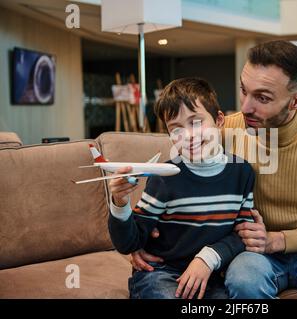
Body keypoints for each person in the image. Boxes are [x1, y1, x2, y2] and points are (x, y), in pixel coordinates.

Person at [131, 40, 297, 299]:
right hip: (250, 253)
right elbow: (177, 180)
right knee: (244, 282)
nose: (245, 107)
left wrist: (277, 240)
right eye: (244, 91)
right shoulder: (222, 131)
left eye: (262, 98)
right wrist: (142, 237)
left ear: (296, 101)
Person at [108, 78, 255, 299]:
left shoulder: (242, 172)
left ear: (219, 120)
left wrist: (207, 259)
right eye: (176, 129)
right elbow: (130, 242)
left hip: (212, 272)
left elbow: (242, 234)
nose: (188, 136)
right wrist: (119, 203)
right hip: (162, 273)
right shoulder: (164, 177)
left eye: (196, 122)